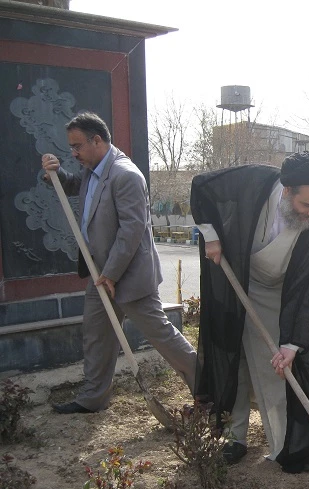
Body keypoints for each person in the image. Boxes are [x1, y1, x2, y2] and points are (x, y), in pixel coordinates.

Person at [191, 152, 309, 473]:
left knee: (275, 364)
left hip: (278, 291)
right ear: (287, 191)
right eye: (307, 206)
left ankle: (285, 444)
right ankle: (235, 437)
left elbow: (307, 287)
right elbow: (201, 188)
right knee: (234, 357)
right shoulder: (252, 180)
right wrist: (211, 236)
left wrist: (292, 343)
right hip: (235, 274)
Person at [41, 112, 196, 414]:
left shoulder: (126, 175)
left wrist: (111, 273)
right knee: (97, 335)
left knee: (162, 338)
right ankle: (93, 399)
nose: (73, 153)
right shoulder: (94, 169)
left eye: (77, 146)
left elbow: (132, 231)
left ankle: (208, 390)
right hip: (100, 273)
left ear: (96, 140)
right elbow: (76, 188)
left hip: (129, 276)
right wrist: (54, 175)